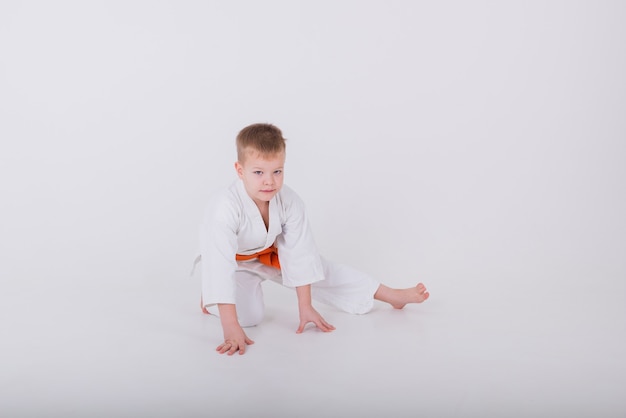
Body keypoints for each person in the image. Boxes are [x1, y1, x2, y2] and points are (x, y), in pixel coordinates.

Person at [193, 123, 429, 355]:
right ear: (239, 170)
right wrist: (230, 326)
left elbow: (300, 253)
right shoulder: (223, 206)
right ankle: (211, 298)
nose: (269, 181)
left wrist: (305, 307)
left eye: (277, 171)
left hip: (268, 255)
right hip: (234, 264)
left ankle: (391, 296)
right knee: (250, 317)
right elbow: (220, 263)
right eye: (258, 172)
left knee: (321, 268)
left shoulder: (289, 201)